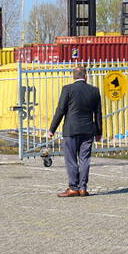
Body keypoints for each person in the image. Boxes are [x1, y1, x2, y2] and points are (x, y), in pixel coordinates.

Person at [47, 66, 102, 197]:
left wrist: (52, 129)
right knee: (85, 159)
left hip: (71, 130)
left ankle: (73, 187)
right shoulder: (94, 91)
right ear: (86, 76)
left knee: (71, 160)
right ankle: (83, 188)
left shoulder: (68, 89)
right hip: (88, 130)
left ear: (73, 76)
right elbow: (98, 113)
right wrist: (99, 132)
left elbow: (60, 110)